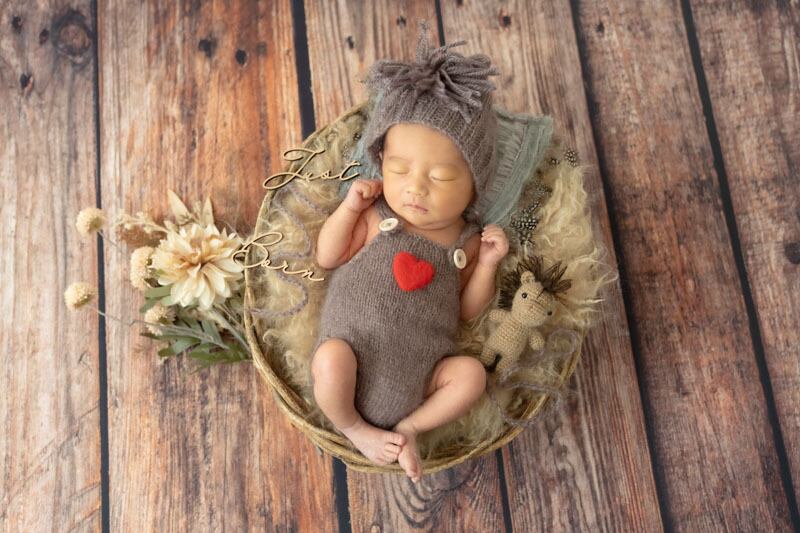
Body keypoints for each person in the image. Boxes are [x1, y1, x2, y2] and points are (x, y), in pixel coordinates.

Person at [310, 23, 509, 483]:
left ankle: (411, 429)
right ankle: (353, 427)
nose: (416, 188)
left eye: (440, 178)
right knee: (330, 360)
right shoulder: (376, 214)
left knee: (471, 376)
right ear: (382, 163)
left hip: (424, 375)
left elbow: (467, 311)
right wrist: (348, 208)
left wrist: (488, 265)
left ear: (474, 184)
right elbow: (327, 257)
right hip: (352, 356)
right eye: (399, 169)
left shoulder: (467, 241)